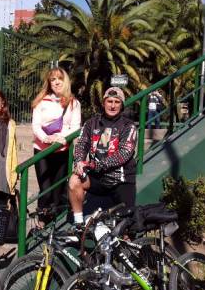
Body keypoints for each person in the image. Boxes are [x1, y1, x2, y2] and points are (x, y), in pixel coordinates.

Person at [68, 87, 137, 224]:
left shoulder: (128, 126)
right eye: (109, 101)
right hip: (96, 177)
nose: (112, 105)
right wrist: (79, 162)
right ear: (103, 103)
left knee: (127, 229)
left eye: (117, 102)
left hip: (121, 179)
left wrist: (95, 164)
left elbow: (124, 154)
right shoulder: (91, 123)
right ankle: (78, 223)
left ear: (122, 105)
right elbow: (82, 144)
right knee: (74, 180)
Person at [31, 68, 81, 224]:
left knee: (58, 191)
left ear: (65, 81)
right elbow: (36, 125)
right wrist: (46, 138)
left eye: (60, 78)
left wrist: (62, 138)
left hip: (62, 151)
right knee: (45, 190)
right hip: (42, 150)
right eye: (53, 79)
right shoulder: (41, 101)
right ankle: (42, 221)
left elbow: (76, 127)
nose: (57, 82)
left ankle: (55, 223)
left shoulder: (73, 103)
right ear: (49, 83)